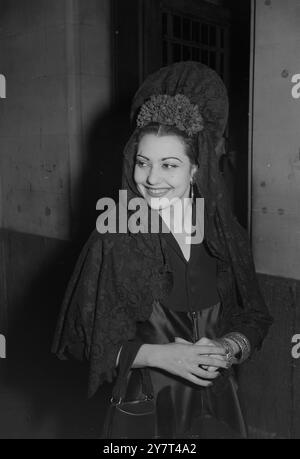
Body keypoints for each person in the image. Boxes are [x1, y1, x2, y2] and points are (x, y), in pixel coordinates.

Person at [52, 62, 273, 439]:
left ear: (195, 170)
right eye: (143, 163)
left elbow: (254, 317)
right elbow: (80, 342)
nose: (151, 179)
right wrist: (160, 355)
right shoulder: (114, 237)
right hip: (147, 408)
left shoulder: (225, 235)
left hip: (218, 405)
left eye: (169, 165)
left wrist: (226, 347)